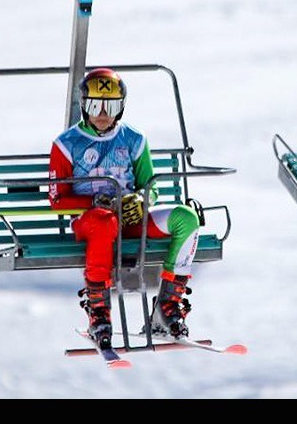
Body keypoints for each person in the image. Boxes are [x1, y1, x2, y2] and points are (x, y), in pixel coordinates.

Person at [48, 68, 200, 349]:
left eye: (111, 106)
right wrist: (94, 203)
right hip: (91, 223)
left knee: (187, 218)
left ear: (121, 107)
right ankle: (99, 313)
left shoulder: (133, 139)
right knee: (104, 221)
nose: (102, 114)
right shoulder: (67, 144)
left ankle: (167, 307)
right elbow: (57, 199)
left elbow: (151, 186)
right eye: (95, 105)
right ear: (84, 105)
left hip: (129, 219)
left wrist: (142, 200)